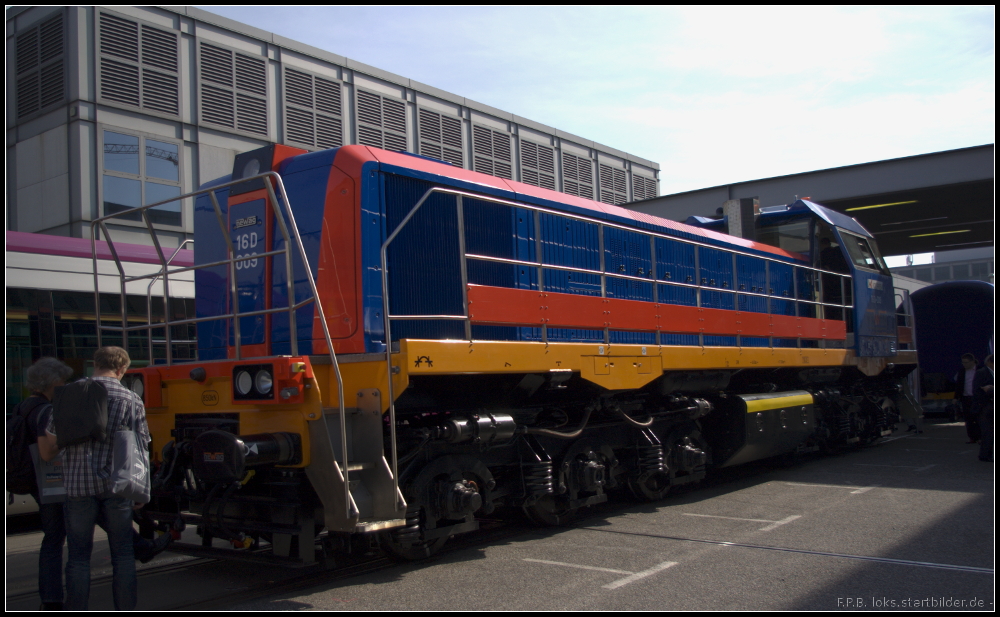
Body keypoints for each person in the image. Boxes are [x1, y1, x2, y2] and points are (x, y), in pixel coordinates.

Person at [40, 347, 152, 611]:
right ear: (122, 369)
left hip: (78, 485)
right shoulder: (131, 398)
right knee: (123, 556)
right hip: (118, 485)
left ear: (94, 364)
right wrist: (141, 489)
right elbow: (142, 444)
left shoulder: (70, 393)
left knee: (78, 558)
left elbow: (54, 439)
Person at [18, 357, 74, 610]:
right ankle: (52, 599)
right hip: (50, 482)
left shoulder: (24, 407)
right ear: (51, 382)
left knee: (52, 537)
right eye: (61, 381)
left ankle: (50, 598)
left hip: (33, 481)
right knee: (54, 539)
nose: (63, 385)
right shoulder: (46, 411)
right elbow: (46, 452)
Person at [954, 353, 981, 443]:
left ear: (972, 362)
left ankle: (980, 437)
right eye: (963, 363)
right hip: (966, 397)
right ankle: (972, 437)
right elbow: (958, 385)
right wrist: (956, 397)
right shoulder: (962, 371)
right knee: (968, 418)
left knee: (978, 417)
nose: (964, 364)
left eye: (966, 362)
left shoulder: (980, 370)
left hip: (977, 398)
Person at [975, 354, 994, 462]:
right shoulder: (982, 372)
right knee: (988, 432)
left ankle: (989, 453)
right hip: (986, 406)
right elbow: (978, 390)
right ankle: (985, 454)